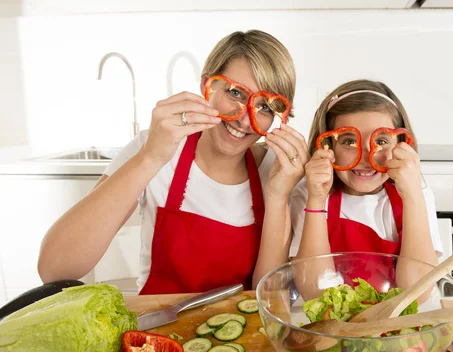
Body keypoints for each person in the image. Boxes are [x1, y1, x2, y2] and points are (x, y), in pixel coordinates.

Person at [38, 30, 309, 294]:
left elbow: (271, 297)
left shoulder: (276, 171)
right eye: (235, 93)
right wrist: (151, 157)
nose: (243, 119)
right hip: (156, 334)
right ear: (207, 86)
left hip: (242, 336)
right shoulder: (156, 146)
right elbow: (55, 268)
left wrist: (278, 196)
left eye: (264, 107)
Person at [290, 79, 443, 301]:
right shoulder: (308, 194)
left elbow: (417, 294)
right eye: (349, 142)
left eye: (381, 140)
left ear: (401, 143)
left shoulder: (415, 192)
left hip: (396, 328)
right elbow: (315, 294)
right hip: (332, 328)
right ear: (327, 146)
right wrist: (315, 200)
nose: (365, 156)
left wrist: (412, 196)